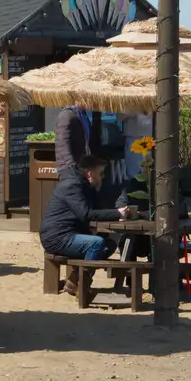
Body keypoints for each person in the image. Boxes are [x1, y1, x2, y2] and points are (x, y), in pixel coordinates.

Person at [39, 155, 129, 296]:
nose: (102, 177)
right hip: (57, 237)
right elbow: (86, 214)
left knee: (109, 245)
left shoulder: (84, 186)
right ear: (89, 173)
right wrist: (117, 213)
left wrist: (115, 211)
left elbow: (96, 209)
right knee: (96, 243)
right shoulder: (72, 186)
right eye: (100, 173)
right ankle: (82, 285)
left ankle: (74, 280)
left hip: (69, 234)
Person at [54, 105, 92, 181]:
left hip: (81, 169)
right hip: (69, 171)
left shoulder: (83, 115)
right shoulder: (66, 115)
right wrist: (74, 169)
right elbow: (63, 146)